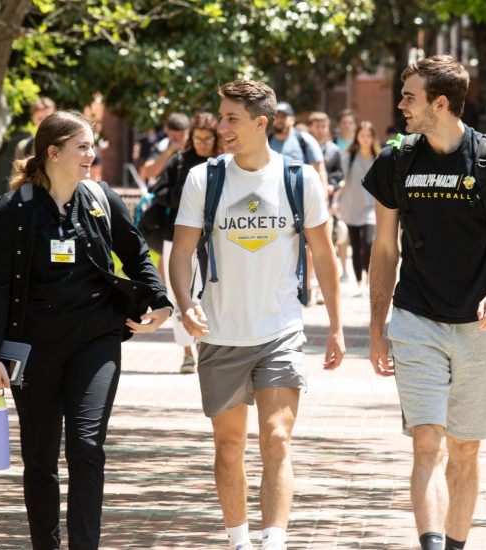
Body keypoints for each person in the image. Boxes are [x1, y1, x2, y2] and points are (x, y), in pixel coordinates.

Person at [0, 110, 172, 550]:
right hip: (35, 346)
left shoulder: (101, 198)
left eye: (93, 145)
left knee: (86, 446)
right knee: (41, 459)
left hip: (96, 339)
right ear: (53, 152)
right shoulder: (16, 211)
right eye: (83, 146)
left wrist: (159, 299)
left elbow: (137, 253)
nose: (92, 154)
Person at [362, 55, 486, 550]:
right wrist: (377, 327)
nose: (401, 105)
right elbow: (384, 248)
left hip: (480, 324)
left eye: (409, 96)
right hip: (416, 317)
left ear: (440, 103)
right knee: (427, 443)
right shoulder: (397, 160)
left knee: (464, 449)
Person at [169, 80, 345, 550]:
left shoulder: (299, 178)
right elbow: (182, 252)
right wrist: (186, 305)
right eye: (221, 117)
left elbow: (324, 257)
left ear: (261, 123)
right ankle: (238, 541)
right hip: (221, 332)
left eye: (231, 118)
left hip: (279, 330)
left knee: (277, 438)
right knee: (229, 446)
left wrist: (335, 327)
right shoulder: (204, 179)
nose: (221, 126)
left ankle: (274, 540)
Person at [155, 111, 222, 374]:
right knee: (179, 295)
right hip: (178, 236)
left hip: (213, 240)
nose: (203, 144)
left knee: (209, 293)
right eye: (198, 138)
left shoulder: (223, 164)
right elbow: (159, 191)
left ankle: (205, 344)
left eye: (207, 139)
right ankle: (186, 352)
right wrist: (183, 195)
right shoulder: (180, 162)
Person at [269, 101, 328, 305]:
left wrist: (323, 198)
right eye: (277, 115)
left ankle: (307, 286)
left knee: (308, 246)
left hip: (303, 201)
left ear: (292, 119)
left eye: (284, 116)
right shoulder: (266, 140)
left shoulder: (303, 140)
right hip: (274, 203)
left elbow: (319, 168)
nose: (280, 119)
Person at [334, 121, 379, 297]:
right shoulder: (349, 156)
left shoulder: (379, 157)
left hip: (371, 208)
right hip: (351, 206)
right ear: (357, 137)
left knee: (368, 243)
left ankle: (368, 280)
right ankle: (359, 283)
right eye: (362, 135)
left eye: (369, 135)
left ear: (373, 137)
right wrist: (335, 200)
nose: (365, 139)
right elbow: (341, 179)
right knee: (356, 243)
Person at [306, 111, 348, 283]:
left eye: (324, 126)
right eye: (317, 126)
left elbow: (339, 175)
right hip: (303, 201)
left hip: (325, 203)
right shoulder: (304, 146)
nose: (321, 130)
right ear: (310, 127)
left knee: (324, 244)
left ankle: (322, 283)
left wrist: (332, 186)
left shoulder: (333, 149)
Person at [139, 112, 191, 185]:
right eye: (174, 135)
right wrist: (169, 151)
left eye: (181, 135)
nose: (178, 139)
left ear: (188, 132)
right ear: (166, 130)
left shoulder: (195, 147)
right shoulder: (161, 146)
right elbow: (149, 172)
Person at [15, 96, 57, 161]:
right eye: (40, 119)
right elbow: (18, 170)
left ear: (55, 116)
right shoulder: (24, 146)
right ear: (33, 119)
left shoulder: (65, 143)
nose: (44, 121)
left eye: (48, 117)